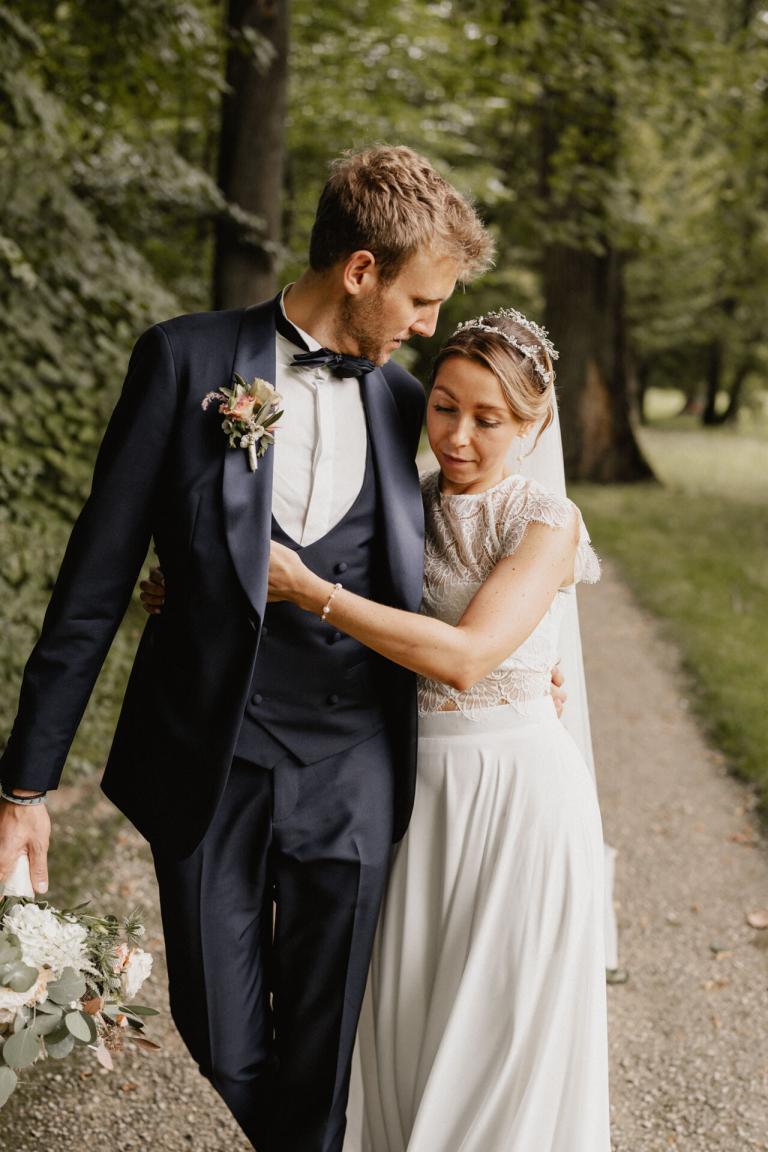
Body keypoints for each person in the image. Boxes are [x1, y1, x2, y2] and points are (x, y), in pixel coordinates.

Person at [0, 146, 502, 1152]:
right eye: (419, 300)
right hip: (212, 762)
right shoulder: (184, 362)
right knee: (223, 1033)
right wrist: (25, 788)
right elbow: (96, 581)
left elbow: (472, 539)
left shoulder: (410, 404)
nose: (426, 328)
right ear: (361, 270)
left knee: (320, 1052)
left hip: (355, 763)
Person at [265, 310, 611, 1152]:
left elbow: (464, 658)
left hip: (515, 799)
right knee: (409, 1024)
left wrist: (311, 590)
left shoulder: (546, 522)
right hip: (411, 791)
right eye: (444, 407)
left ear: (534, 425)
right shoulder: (404, 502)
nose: (457, 436)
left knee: (495, 1037)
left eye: (487, 420)